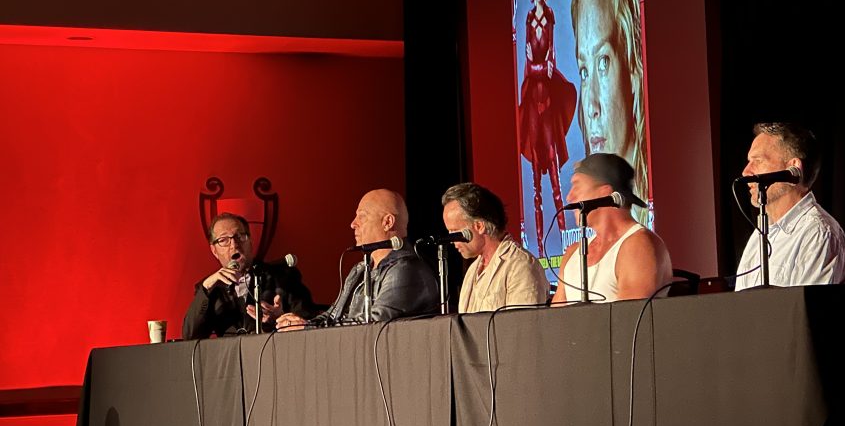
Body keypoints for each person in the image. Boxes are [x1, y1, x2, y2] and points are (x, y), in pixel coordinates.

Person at [570, 0, 649, 226]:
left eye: (603, 62)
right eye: (584, 71)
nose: (591, 108)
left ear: (631, 68)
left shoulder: (641, 243)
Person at [277, 189, 438, 327]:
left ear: (387, 222)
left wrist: (308, 329)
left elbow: (374, 323)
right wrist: (300, 324)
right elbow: (333, 316)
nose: (353, 224)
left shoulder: (406, 269)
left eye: (362, 216)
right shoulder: (360, 269)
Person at [734, 122, 845, 290]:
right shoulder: (760, 234)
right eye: (749, 161)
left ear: (793, 169)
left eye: (758, 161)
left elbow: (805, 311)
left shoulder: (818, 233)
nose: (746, 172)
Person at [518, 0, 577, 252]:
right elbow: (531, 67)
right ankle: (539, 248)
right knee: (536, 183)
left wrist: (539, 66)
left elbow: (548, 62)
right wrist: (539, 67)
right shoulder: (529, 17)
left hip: (549, 105)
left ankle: (566, 243)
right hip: (533, 106)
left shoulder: (548, 15)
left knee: (554, 177)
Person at [551, 153, 672, 304]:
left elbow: (630, 320)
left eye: (577, 186)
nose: (569, 197)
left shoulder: (638, 246)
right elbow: (555, 321)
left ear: (605, 192)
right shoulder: (572, 253)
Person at [182, 213, 315, 339]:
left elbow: (308, 320)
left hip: (274, 355)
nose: (234, 245)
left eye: (240, 236)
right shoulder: (210, 288)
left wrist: (281, 319)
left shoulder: (283, 276)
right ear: (214, 250)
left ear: (250, 241)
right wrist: (206, 287)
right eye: (223, 240)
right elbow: (190, 335)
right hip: (231, 359)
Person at [441, 183, 549, 313]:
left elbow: (522, 329)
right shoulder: (472, 271)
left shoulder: (521, 266)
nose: (452, 241)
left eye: (455, 232)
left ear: (479, 226)